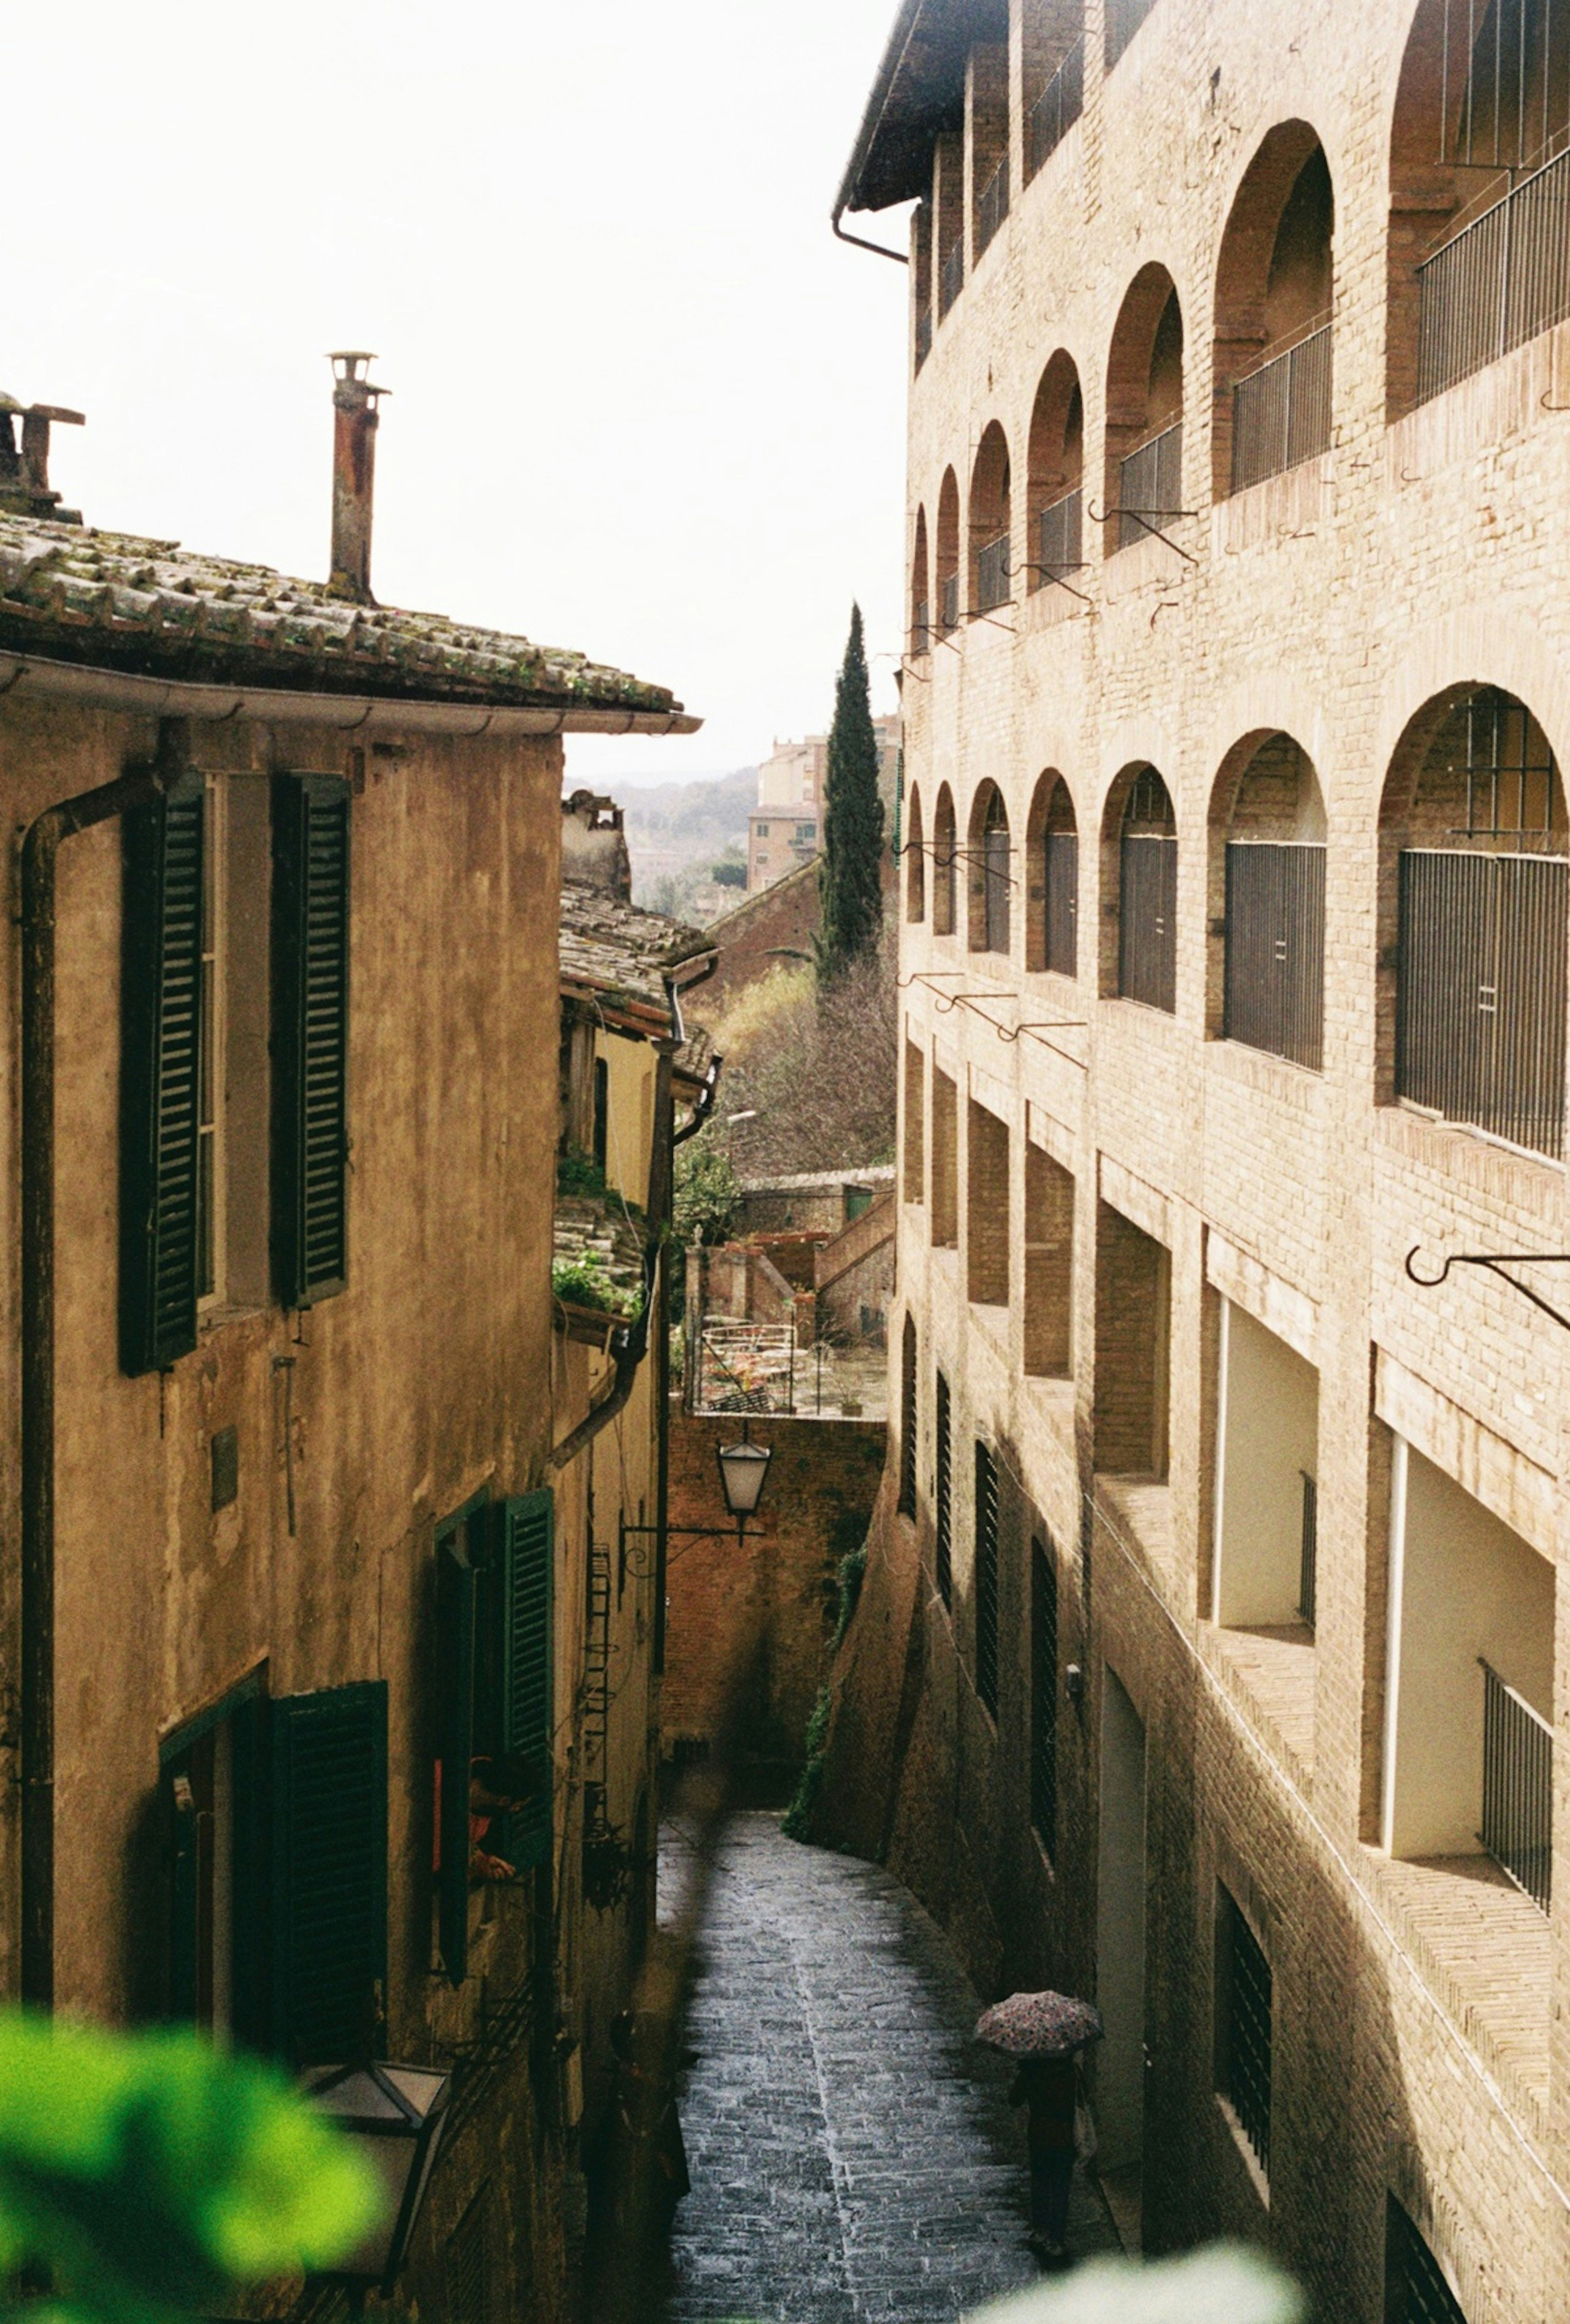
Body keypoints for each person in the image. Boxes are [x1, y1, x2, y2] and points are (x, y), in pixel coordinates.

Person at [1009, 2049, 1080, 2261]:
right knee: (1060, 2187)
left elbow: (1014, 2100)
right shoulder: (1071, 2072)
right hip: (1064, 2136)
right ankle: (1056, 2238)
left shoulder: (1031, 2072)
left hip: (1040, 2135)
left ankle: (1040, 2229)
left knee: (1040, 2182)